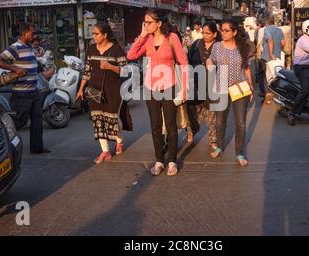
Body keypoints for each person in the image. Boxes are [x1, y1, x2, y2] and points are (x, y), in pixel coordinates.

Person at [127, 9, 188, 176]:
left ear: (159, 23)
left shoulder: (172, 38)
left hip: (169, 86)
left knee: (170, 125)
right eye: (144, 22)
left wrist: (184, 89)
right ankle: (159, 160)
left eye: (149, 22)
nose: (146, 25)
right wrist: (141, 35)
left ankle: (172, 161)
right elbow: (131, 55)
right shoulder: (146, 39)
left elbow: (183, 63)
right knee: (155, 126)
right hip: (151, 87)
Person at [77, 22, 133, 164]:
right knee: (98, 120)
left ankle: (119, 140)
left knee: (113, 119)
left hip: (113, 90)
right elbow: (87, 71)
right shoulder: (91, 50)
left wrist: (110, 67)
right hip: (94, 90)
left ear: (105, 35)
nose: (93, 36)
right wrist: (80, 89)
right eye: (93, 33)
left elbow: (126, 71)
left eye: (96, 34)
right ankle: (105, 151)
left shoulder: (116, 50)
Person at [0, 23, 49, 154]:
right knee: (20, 121)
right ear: (24, 34)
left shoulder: (29, 47)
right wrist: (14, 68)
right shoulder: (15, 47)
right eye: (32, 33)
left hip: (33, 90)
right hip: (22, 92)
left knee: (37, 120)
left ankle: (37, 148)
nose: (34, 35)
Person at [206, 19, 254, 167]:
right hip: (221, 87)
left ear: (234, 32)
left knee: (241, 123)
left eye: (227, 31)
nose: (223, 33)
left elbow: (246, 68)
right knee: (220, 121)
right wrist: (208, 62)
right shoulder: (217, 46)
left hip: (239, 88)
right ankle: (219, 146)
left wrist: (251, 86)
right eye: (222, 30)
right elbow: (210, 58)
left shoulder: (242, 47)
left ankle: (239, 153)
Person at [186, 21, 221, 150]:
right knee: (193, 111)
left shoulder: (219, 46)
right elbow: (188, 61)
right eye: (203, 33)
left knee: (212, 114)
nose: (205, 35)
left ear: (215, 34)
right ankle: (191, 131)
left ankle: (213, 140)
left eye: (208, 33)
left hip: (212, 85)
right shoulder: (196, 44)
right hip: (195, 84)